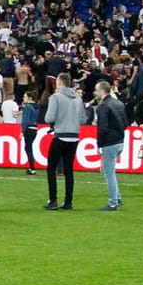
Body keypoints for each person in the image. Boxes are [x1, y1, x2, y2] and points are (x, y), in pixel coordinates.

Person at [41, 76, 84, 210]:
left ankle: (53, 200)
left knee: (51, 169)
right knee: (69, 171)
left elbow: (49, 118)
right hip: (74, 137)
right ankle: (68, 202)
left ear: (59, 83)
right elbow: (83, 119)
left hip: (60, 136)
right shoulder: (78, 98)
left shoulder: (56, 97)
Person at [92, 80, 129, 210]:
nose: (95, 92)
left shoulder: (103, 106)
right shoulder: (118, 103)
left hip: (109, 142)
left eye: (97, 90)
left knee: (109, 172)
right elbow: (125, 122)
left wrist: (99, 144)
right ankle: (117, 197)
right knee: (107, 170)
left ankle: (113, 202)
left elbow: (102, 127)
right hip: (120, 141)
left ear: (102, 91)